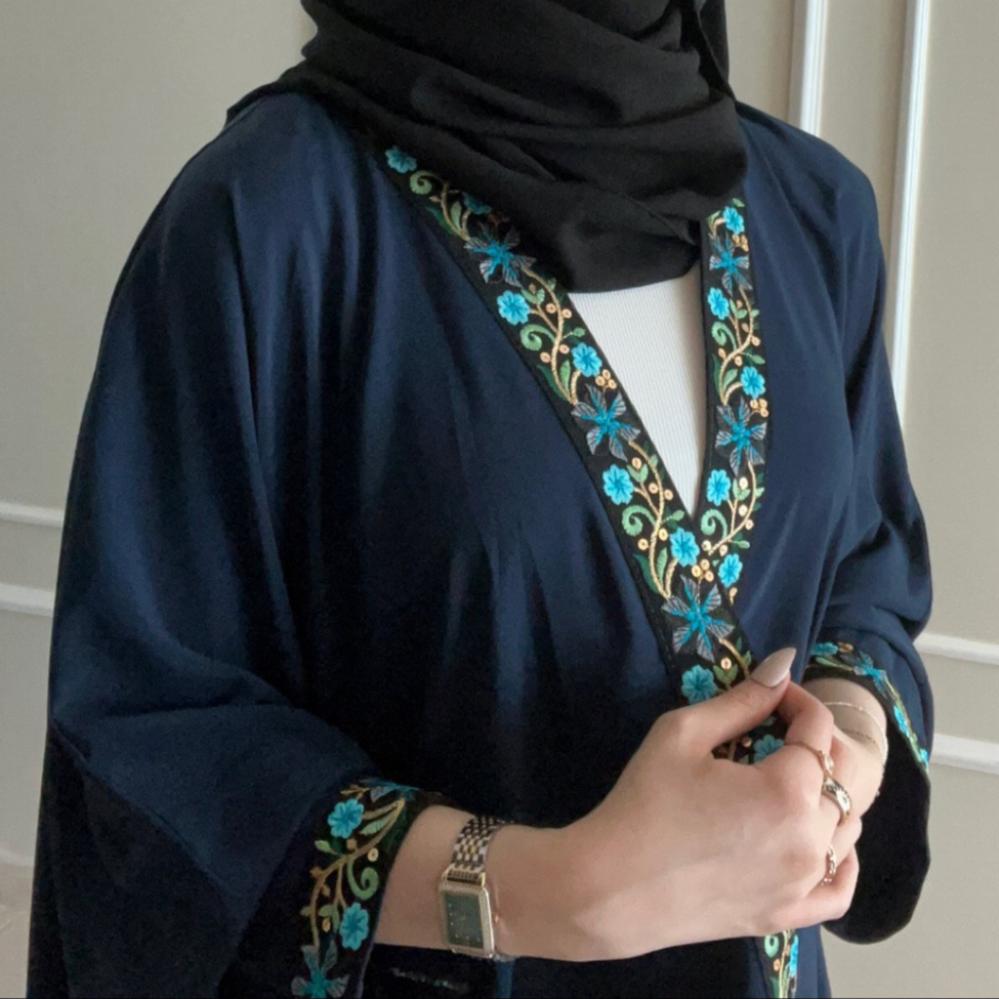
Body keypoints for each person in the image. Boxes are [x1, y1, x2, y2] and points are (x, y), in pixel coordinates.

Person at [26, 1, 934, 997]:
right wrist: (558, 889)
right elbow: (157, 719)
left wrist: (845, 737)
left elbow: (863, 573)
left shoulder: (812, 210)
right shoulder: (264, 217)